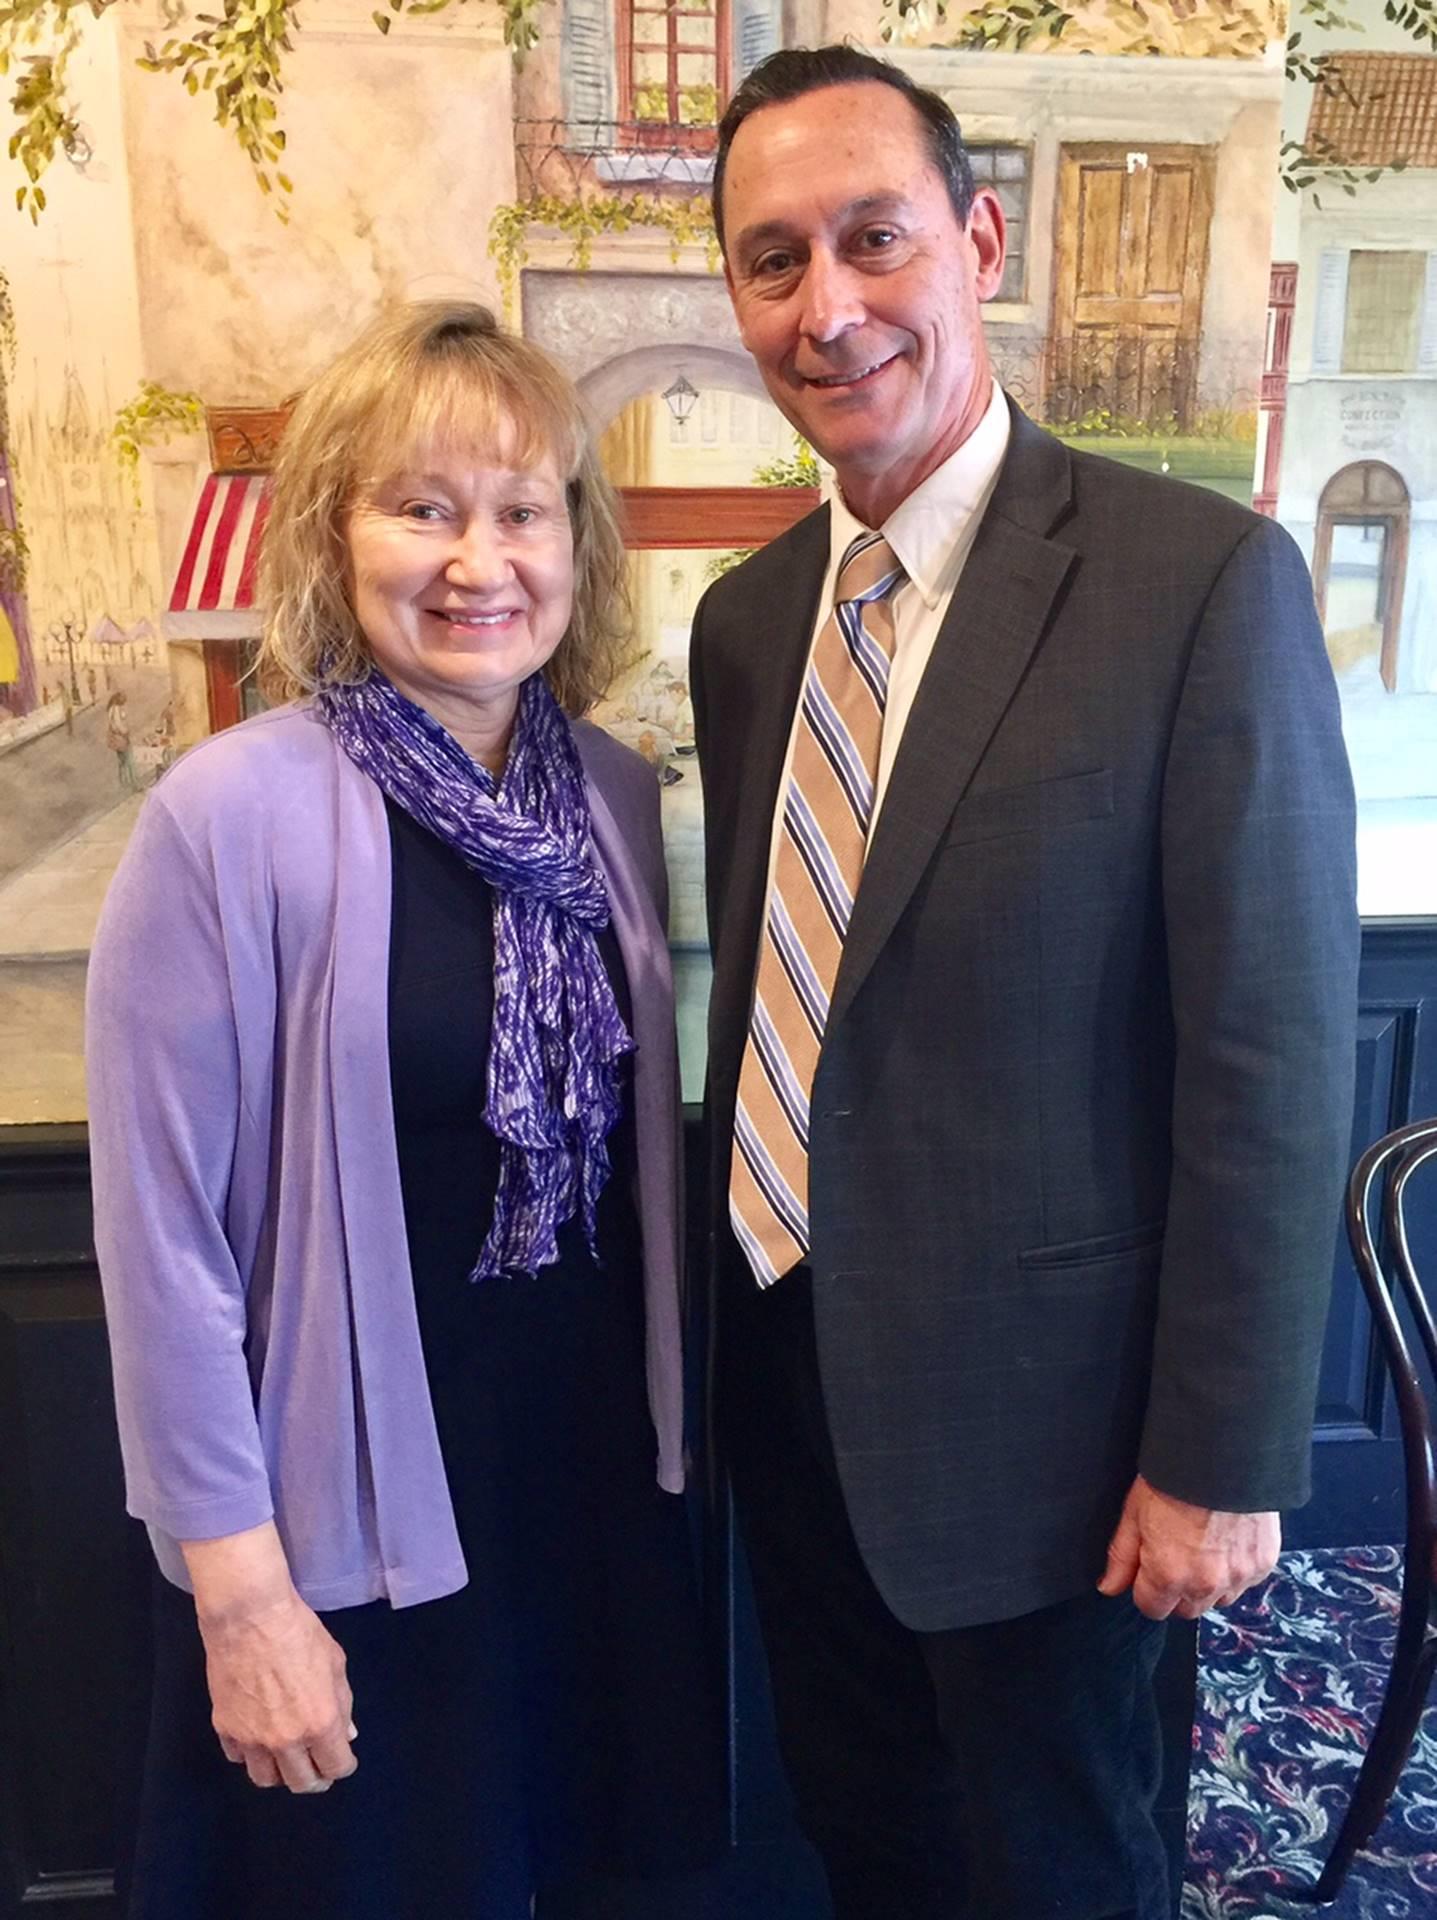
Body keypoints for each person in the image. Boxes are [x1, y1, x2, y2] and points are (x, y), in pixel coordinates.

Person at [691, 46, 1360, 1920]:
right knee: (868, 1847)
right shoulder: (746, 627)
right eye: (771, 260)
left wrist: (1219, 1457)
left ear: (978, 244)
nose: (826, 307)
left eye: (873, 238)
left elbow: (1270, 1052)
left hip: (1061, 1446)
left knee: (1062, 1870)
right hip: (787, 1384)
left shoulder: (1197, 583)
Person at [88, 301, 721, 1920]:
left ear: (575, 547)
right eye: (421, 507)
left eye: (521, 511)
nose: (476, 560)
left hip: (580, 1488)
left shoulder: (609, 798)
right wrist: (241, 1596)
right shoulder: (225, 816)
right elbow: (161, 1250)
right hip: (344, 1516)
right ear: (332, 535)